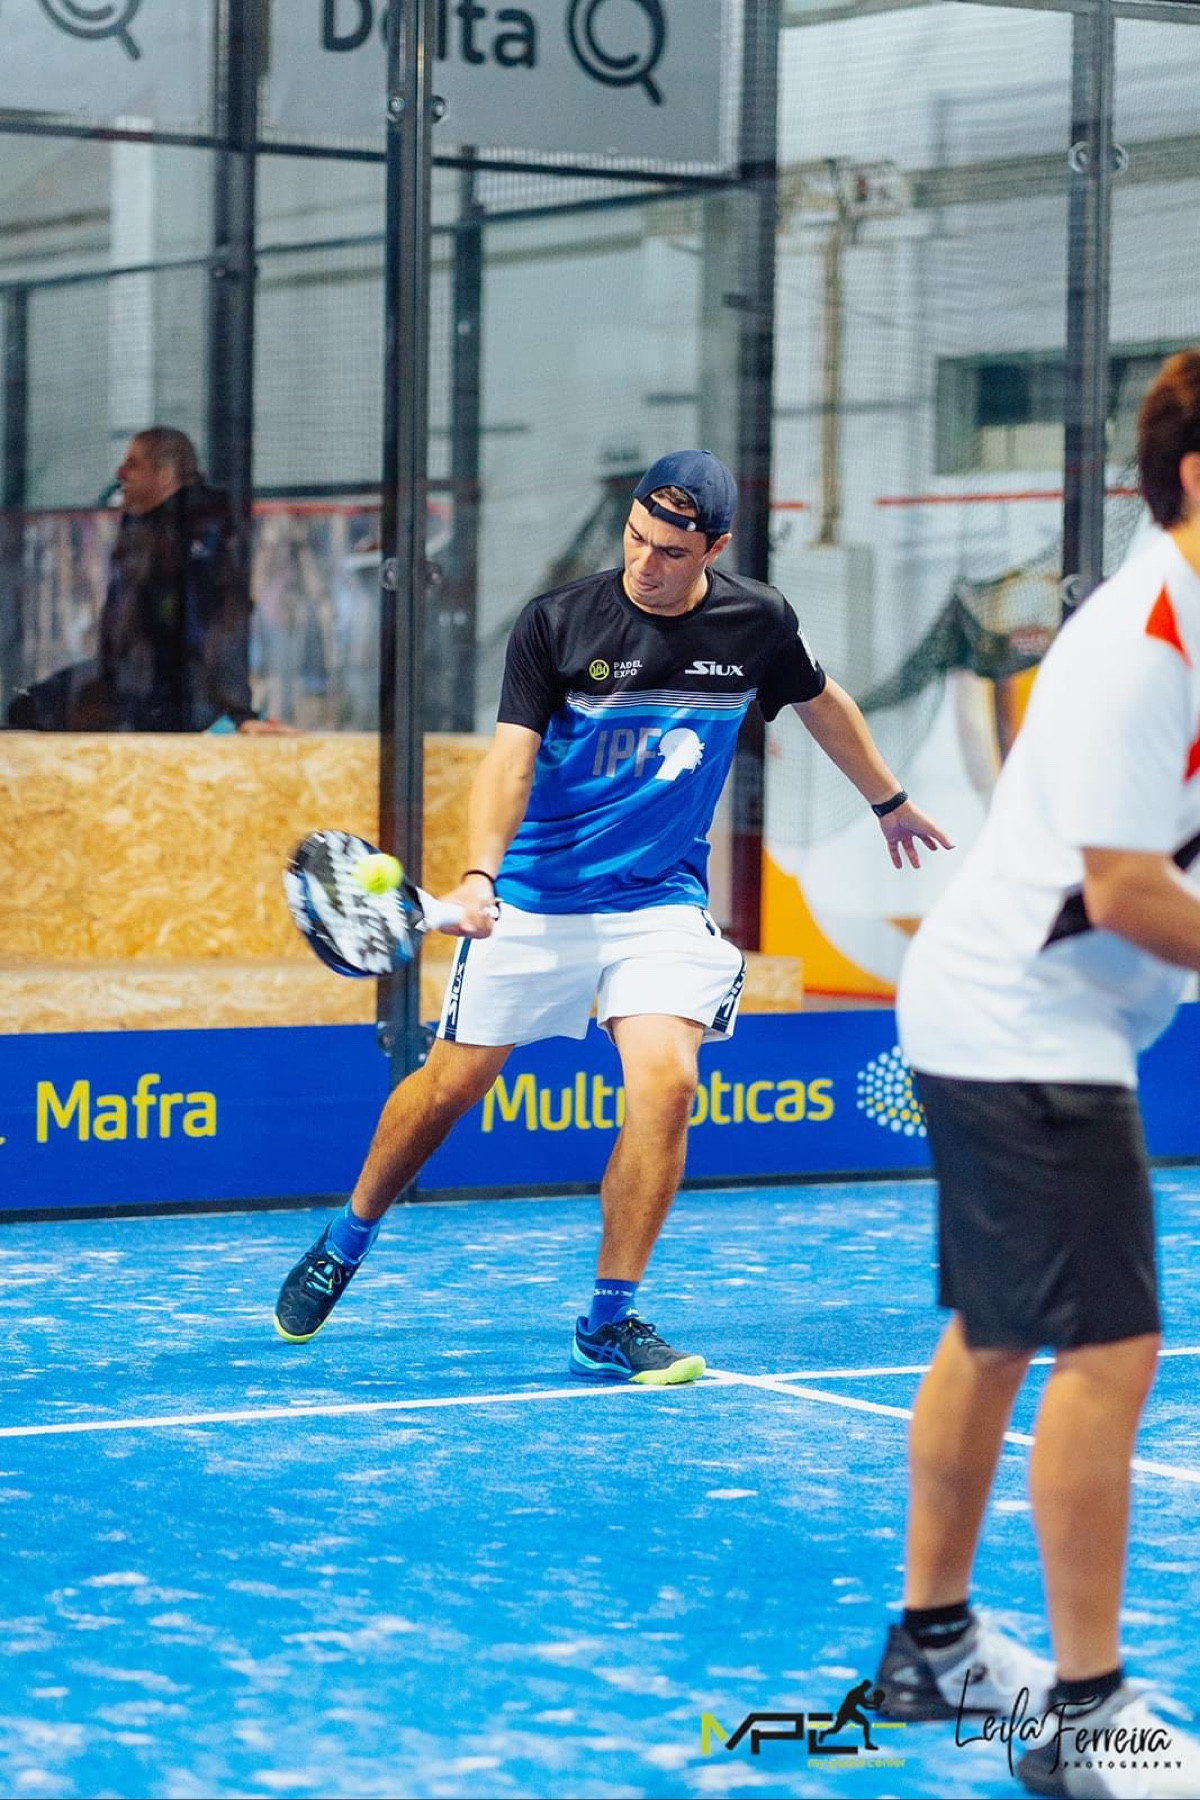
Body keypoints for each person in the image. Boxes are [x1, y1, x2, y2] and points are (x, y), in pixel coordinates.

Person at [274, 449, 950, 1379]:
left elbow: (819, 701)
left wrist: (888, 800)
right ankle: (346, 1239)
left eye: (670, 551)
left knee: (668, 1088)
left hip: (658, 902)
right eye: (636, 539)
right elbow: (510, 761)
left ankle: (608, 1319)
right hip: (536, 898)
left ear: (713, 549)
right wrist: (479, 877)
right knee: (447, 1092)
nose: (645, 563)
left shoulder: (756, 622)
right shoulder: (558, 622)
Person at [874, 352, 1200, 1798]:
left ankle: (934, 1649)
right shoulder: (1144, 640)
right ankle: (1084, 1717)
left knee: (1000, 1330)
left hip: (1017, 1011)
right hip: (1029, 1024)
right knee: (1108, 1350)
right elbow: (1127, 890)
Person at [98, 427, 266, 733]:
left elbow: (212, 625)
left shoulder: (202, 530)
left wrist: (238, 711)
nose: (120, 473)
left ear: (164, 475)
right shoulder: (138, 527)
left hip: (181, 709)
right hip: (134, 700)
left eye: (133, 464)